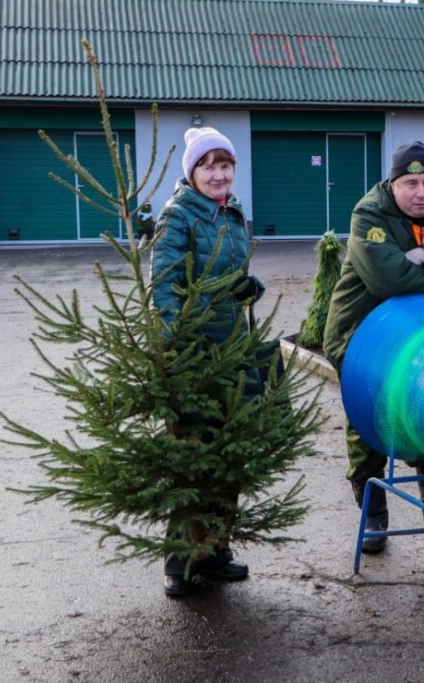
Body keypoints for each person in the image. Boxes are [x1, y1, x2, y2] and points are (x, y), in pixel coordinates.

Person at [323, 141, 424, 554]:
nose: (421, 193)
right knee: (370, 418)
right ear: (393, 184)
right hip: (360, 333)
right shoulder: (370, 214)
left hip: (418, 338)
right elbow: (387, 279)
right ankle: (373, 512)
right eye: (410, 183)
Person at [151, 126, 265, 597]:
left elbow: (224, 275)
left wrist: (244, 288)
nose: (219, 175)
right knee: (193, 459)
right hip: (195, 353)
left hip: (232, 350)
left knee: (228, 453)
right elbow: (165, 286)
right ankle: (179, 562)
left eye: (226, 165)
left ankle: (214, 551)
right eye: (209, 166)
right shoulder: (179, 216)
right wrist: (177, 347)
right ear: (193, 173)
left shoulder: (232, 213)